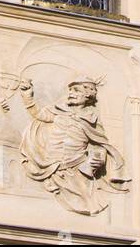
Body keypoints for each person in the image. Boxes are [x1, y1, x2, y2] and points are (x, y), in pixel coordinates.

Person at [20, 76, 130, 214]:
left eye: (77, 90)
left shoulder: (91, 119)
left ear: (88, 94)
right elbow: (39, 114)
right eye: (71, 90)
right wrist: (27, 96)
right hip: (51, 166)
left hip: (77, 168)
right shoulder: (59, 112)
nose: (71, 93)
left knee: (86, 200)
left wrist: (99, 159)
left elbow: (100, 143)